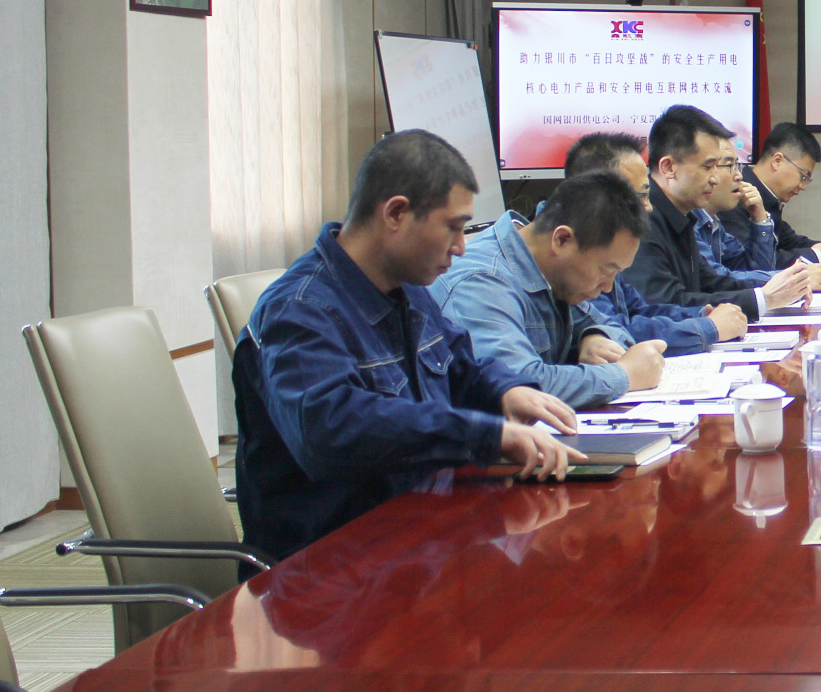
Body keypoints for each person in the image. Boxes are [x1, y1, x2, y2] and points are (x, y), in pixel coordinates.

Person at [234, 130, 585, 561]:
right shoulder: (299, 310)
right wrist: (484, 434)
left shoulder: (408, 287)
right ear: (396, 214)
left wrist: (506, 391)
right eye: (453, 228)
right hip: (332, 566)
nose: (461, 248)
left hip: (421, 535)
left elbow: (462, 367)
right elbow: (330, 430)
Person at [430, 170, 664, 410]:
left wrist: (595, 336)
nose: (607, 287)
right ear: (562, 240)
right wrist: (624, 374)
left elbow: (613, 326)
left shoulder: (550, 270)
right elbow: (519, 387)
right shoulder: (481, 283)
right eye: (606, 270)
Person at [626, 105, 821, 317]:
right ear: (668, 168)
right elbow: (665, 304)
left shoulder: (683, 215)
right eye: (708, 167)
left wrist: (779, 289)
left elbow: (711, 282)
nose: (715, 178)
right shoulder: (642, 220)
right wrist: (763, 299)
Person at [560, 132, 740, 355]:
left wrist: (701, 314)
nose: (649, 207)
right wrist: (708, 328)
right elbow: (619, 333)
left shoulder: (605, 241)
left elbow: (639, 310)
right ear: (596, 196)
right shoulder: (569, 250)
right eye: (641, 196)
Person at [736, 123, 821, 268]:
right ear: (777, 161)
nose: (803, 186)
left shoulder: (768, 197)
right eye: (803, 176)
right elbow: (753, 264)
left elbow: (790, 242)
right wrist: (818, 254)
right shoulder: (738, 196)